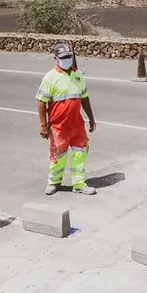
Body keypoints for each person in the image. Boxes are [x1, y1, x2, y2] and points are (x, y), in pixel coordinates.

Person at [36, 42, 97, 196]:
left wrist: (91, 118)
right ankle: (54, 183)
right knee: (58, 155)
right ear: (55, 58)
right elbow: (41, 102)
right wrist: (43, 125)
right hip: (59, 126)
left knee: (80, 154)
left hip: (77, 125)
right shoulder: (50, 77)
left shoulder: (78, 75)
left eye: (69, 57)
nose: (67, 60)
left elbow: (84, 98)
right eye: (63, 58)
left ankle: (79, 184)